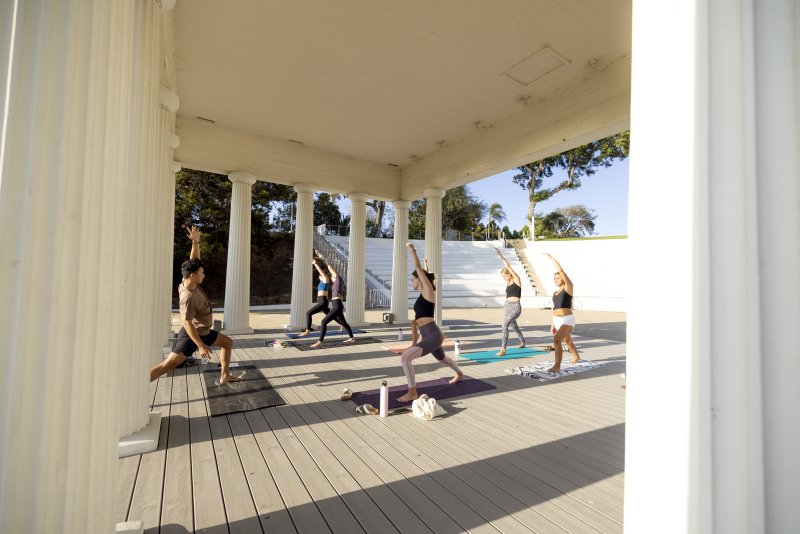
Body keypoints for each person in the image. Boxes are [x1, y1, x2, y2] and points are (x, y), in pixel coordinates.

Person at [150, 226, 242, 384]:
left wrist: (196, 242)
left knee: (227, 342)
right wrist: (200, 345)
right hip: (193, 336)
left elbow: (194, 261)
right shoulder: (188, 296)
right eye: (202, 272)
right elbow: (186, 322)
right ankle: (138, 383)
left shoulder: (188, 281)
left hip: (204, 332)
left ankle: (225, 375)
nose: (204, 275)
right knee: (167, 365)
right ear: (193, 275)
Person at [397, 243, 463, 403]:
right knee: (442, 359)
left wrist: (411, 250)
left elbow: (418, 267)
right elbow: (415, 321)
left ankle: (412, 392)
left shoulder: (428, 291)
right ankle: (459, 373)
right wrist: (414, 342)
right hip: (429, 335)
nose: (411, 282)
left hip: (432, 335)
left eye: (412, 279)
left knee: (405, 359)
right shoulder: (422, 295)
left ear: (420, 279)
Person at [545, 253, 581, 372]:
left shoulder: (568, 288)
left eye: (558, 277)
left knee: (557, 340)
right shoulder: (555, 293)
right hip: (557, 320)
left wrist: (552, 259)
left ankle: (557, 365)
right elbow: (554, 308)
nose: (556, 280)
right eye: (554, 278)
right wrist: (553, 324)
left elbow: (561, 271)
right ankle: (576, 355)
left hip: (567, 320)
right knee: (567, 340)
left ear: (563, 278)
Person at [310, 255, 355, 348]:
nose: (331, 278)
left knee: (324, 322)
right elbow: (327, 276)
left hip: (337, 305)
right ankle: (352, 338)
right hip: (337, 305)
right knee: (343, 323)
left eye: (332, 277)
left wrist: (324, 259)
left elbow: (330, 268)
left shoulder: (338, 279)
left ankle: (320, 342)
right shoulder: (335, 284)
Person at [297, 257, 344, 337]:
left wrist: (315, 264)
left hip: (323, 302)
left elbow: (322, 273)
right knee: (331, 316)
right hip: (322, 302)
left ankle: (307, 330)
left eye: (321, 276)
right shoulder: (321, 283)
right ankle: (343, 324)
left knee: (308, 313)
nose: (321, 276)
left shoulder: (325, 279)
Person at [494, 248, 526, 356]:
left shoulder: (516, 280)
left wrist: (501, 257)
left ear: (509, 274)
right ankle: (522, 342)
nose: (504, 278)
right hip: (507, 307)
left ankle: (503, 349)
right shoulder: (507, 284)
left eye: (504, 276)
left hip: (515, 307)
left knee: (504, 325)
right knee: (514, 326)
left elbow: (508, 266)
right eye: (502, 277)